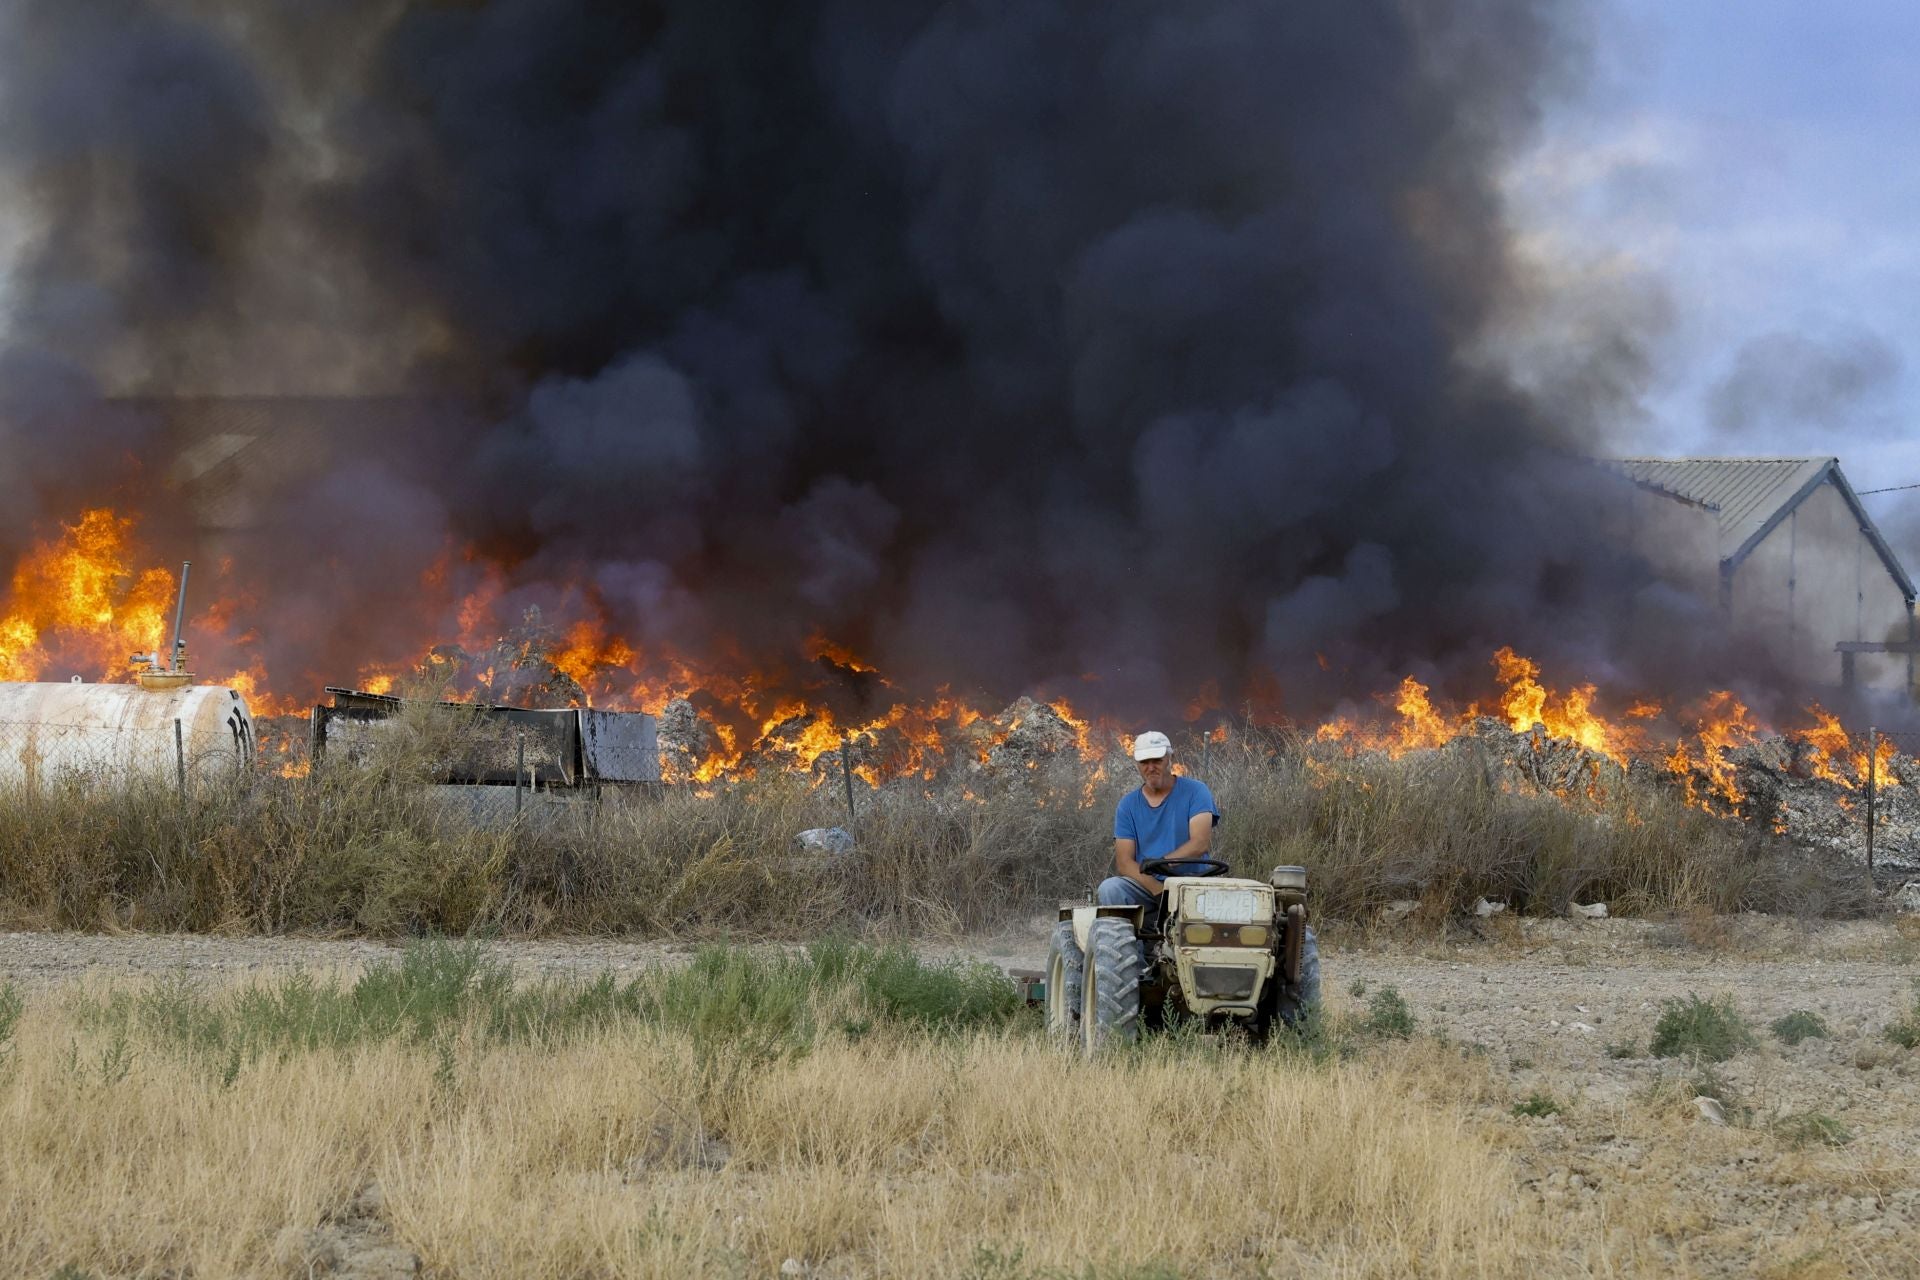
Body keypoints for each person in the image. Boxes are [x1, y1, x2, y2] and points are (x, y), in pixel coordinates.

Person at [1097, 729, 1321, 1013]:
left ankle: (1248, 981)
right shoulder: (1128, 805)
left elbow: (1199, 842)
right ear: (1137, 764)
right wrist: (1157, 887)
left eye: (1157, 760)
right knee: (1111, 889)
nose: (1151, 767)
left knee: (1256, 913)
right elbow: (1125, 861)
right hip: (1146, 885)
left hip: (1193, 881)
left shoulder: (1195, 792)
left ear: (1169, 758)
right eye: (1144, 762)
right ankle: (1137, 976)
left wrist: (1164, 866)